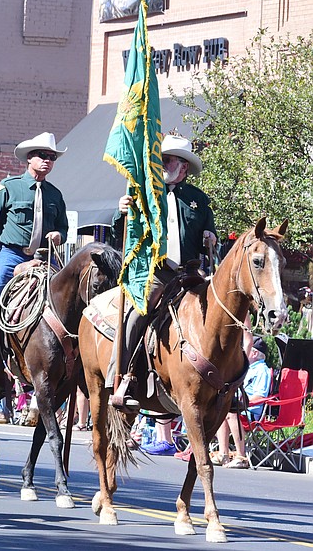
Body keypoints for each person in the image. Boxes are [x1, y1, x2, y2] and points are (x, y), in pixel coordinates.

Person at [110, 134, 217, 410]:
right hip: (158, 272)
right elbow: (120, 233)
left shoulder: (199, 200)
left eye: (167, 160)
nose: (161, 164)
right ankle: (121, 377)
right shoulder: (144, 192)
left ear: (182, 166)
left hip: (190, 275)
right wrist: (121, 212)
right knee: (136, 315)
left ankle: (224, 386)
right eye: (160, 159)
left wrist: (211, 236)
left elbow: (211, 233)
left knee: (220, 315)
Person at [0, 132, 69, 382]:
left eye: (51, 157)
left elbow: (63, 227)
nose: (47, 161)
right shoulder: (9, 187)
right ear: (30, 158)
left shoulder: (55, 195)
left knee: (65, 300)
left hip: (44, 257)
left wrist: (59, 236)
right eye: (42, 156)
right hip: (12, 256)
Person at [213, 336, 273, 468]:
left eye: (245, 348)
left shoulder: (262, 371)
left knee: (232, 412)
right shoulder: (248, 368)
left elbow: (260, 396)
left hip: (251, 412)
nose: (241, 352)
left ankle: (240, 456)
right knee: (222, 409)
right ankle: (224, 454)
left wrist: (241, 402)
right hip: (241, 408)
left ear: (255, 352)